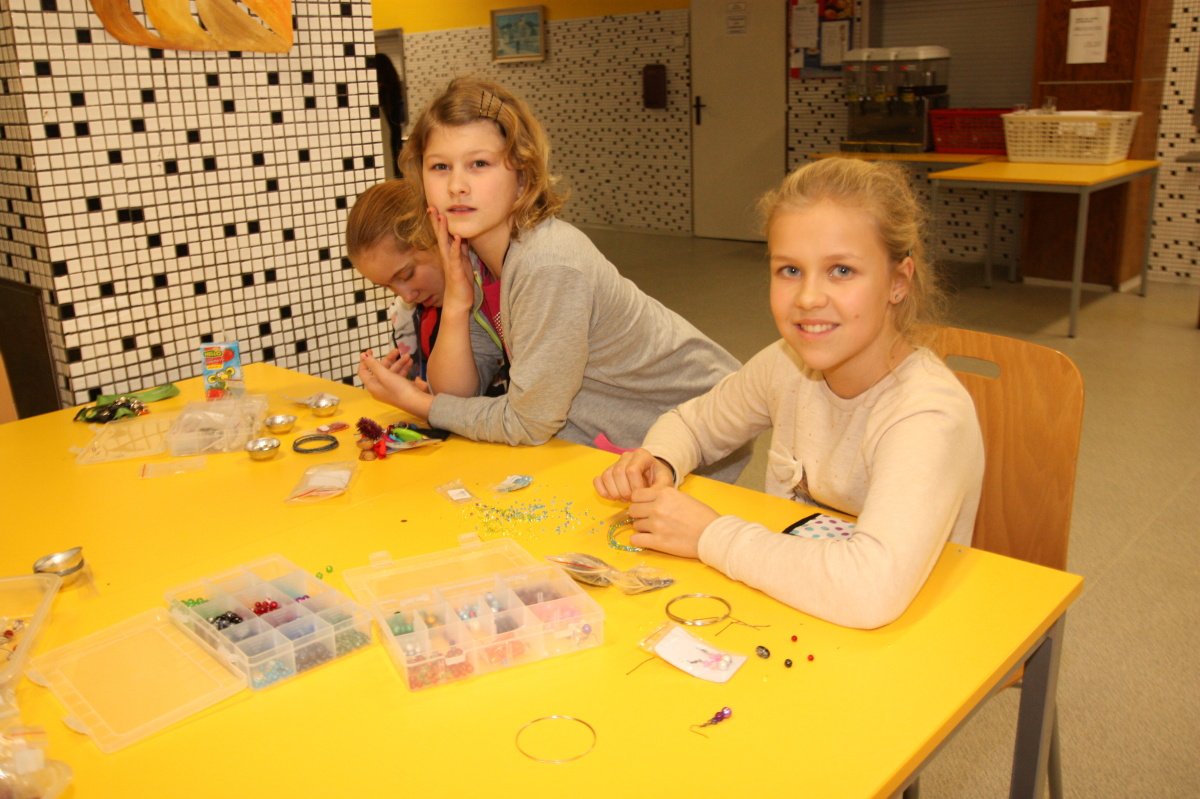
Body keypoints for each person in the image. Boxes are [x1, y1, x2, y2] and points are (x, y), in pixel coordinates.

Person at [593, 157, 985, 629]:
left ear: (897, 283)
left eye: (842, 270)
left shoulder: (926, 414)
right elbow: (692, 424)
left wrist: (710, 535)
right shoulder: (786, 363)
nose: (808, 298)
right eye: (790, 270)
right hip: (790, 607)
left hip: (898, 632)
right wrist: (660, 460)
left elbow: (870, 590)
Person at [358, 76, 747, 481]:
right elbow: (458, 395)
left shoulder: (547, 263)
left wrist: (415, 402)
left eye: (479, 164)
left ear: (522, 175)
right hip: (607, 431)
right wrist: (457, 301)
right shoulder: (473, 257)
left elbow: (527, 423)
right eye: (440, 167)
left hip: (691, 427)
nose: (457, 186)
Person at [346, 179, 507, 398]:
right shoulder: (409, 314)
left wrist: (418, 400)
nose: (407, 296)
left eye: (407, 275)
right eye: (387, 287)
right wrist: (402, 385)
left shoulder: (489, 288)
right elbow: (448, 398)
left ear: (438, 235)